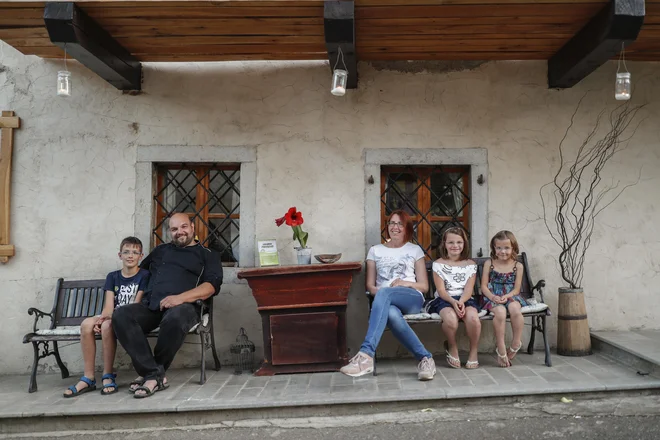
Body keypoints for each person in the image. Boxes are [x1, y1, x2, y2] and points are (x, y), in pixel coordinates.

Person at [112, 213, 223, 398]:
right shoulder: (160, 251)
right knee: (121, 315)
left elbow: (211, 286)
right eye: (174, 229)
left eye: (183, 227)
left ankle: (151, 376)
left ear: (193, 227)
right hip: (152, 305)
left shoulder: (208, 255)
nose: (179, 232)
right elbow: (139, 273)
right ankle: (154, 373)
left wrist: (180, 298)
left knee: (176, 318)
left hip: (186, 307)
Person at [340, 210, 436, 380]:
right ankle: (425, 359)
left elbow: (424, 286)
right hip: (385, 299)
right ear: (387, 227)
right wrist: (385, 294)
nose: (395, 227)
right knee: (391, 313)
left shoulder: (414, 250)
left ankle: (366, 355)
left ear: (406, 228)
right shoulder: (375, 251)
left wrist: (404, 283)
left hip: (411, 297)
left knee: (385, 293)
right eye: (392, 223)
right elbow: (370, 285)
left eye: (400, 223)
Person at [63, 237, 150, 397]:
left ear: (141, 256)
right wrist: (102, 317)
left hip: (128, 316)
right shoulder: (113, 276)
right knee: (86, 324)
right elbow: (109, 306)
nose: (130, 256)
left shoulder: (144, 275)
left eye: (135, 252)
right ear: (119, 255)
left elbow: (136, 305)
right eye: (126, 252)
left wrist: (106, 320)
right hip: (110, 314)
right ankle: (88, 377)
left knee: (106, 326)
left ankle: (108, 374)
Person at [427, 227, 481, 369]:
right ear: (444, 244)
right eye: (451, 242)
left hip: (465, 298)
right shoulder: (438, 264)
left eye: (459, 242)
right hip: (445, 299)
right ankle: (452, 346)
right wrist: (453, 302)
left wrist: (461, 301)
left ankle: (473, 351)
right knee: (451, 319)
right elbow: (441, 290)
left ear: (464, 244)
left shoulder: (471, 265)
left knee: (473, 318)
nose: (455, 246)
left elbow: (468, 289)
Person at [480, 230, 527, 368]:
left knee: (514, 308)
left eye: (506, 247)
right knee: (500, 312)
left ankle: (516, 342)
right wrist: (493, 296)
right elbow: (483, 286)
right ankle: (500, 347)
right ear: (494, 248)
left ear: (513, 248)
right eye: (499, 247)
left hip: (511, 295)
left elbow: (517, 289)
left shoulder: (518, 266)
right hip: (492, 295)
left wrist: (507, 296)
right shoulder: (490, 263)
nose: (503, 251)